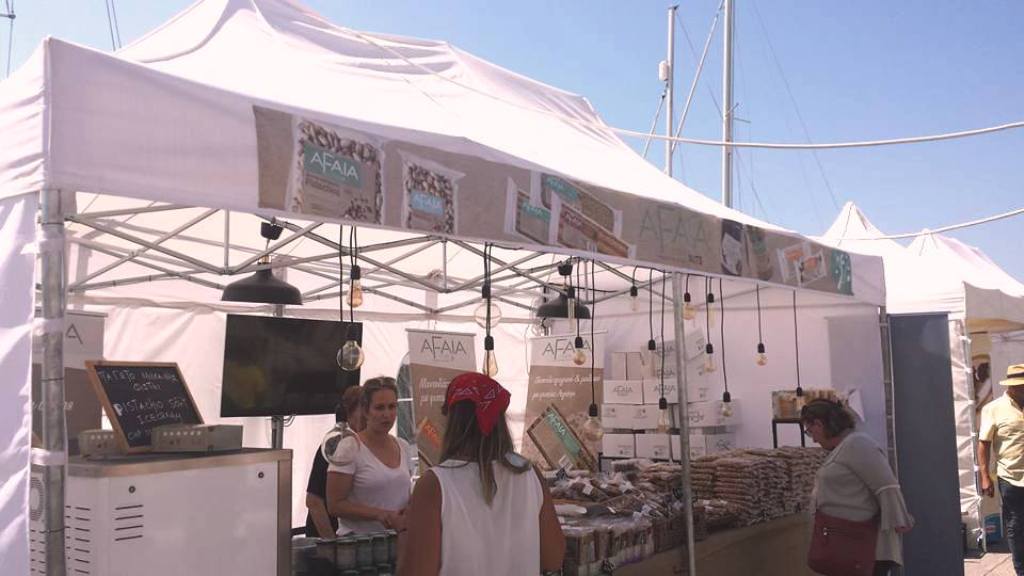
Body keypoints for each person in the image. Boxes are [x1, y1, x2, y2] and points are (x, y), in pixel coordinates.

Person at [398, 372, 565, 576]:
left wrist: (405, 534)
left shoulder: (435, 485)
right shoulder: (530, 474)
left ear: (452, 421)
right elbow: (553, 558)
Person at [802, 399, 913, 576]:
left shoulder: (857, 444)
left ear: (819, 424)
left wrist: (898, 519)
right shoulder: (843, 448)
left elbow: (886, 484)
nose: (813, 439)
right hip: (844, 541)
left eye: (810, 431)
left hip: (862, 545)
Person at [327, 376, 414, 534]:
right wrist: (380, 515)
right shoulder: (349, 447)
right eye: (379, 408)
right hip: (359, 543)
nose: (387, 414)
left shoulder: (404, 446)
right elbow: (334, 504)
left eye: (392, 407)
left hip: (399, 538)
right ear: (366, 411)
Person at [979, 364, 1024, 575]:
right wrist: (984, 476)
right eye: (1021, 386)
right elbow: (984, 444)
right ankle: (1021, 569)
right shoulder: (993, 409)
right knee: (1015, 525)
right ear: (1011, 387)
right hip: (1010, 477)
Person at [305, 385, 365, 538]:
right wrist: (331, 543)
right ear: (349, 414)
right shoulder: (335, 445)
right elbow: (314, 501)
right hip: (329, 536)